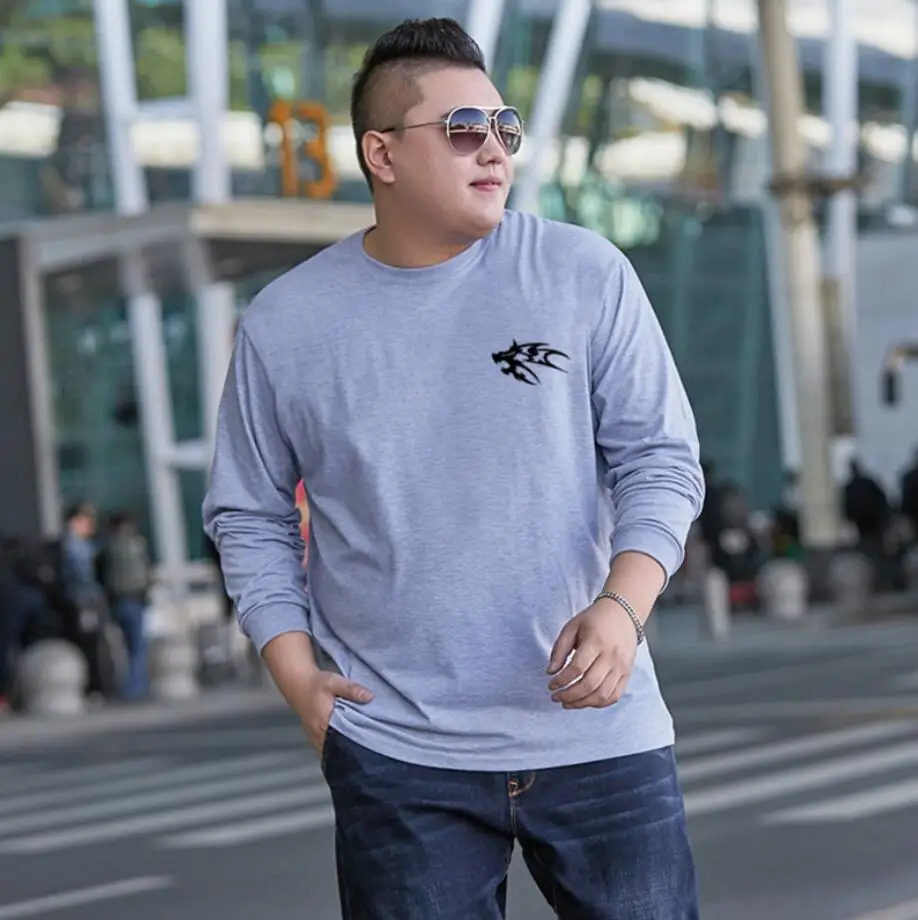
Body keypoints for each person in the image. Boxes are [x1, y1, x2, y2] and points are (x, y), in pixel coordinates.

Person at [204, 17, 704, 920]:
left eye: (505, 127)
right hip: (399, 754)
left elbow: (660, 459)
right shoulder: (288, 323)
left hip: (600, 736)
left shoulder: (582, 273)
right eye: (464, 129)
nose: (495, 149)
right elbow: (249, 513)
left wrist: (623, 609)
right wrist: (296, 674)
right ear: (382, 154)